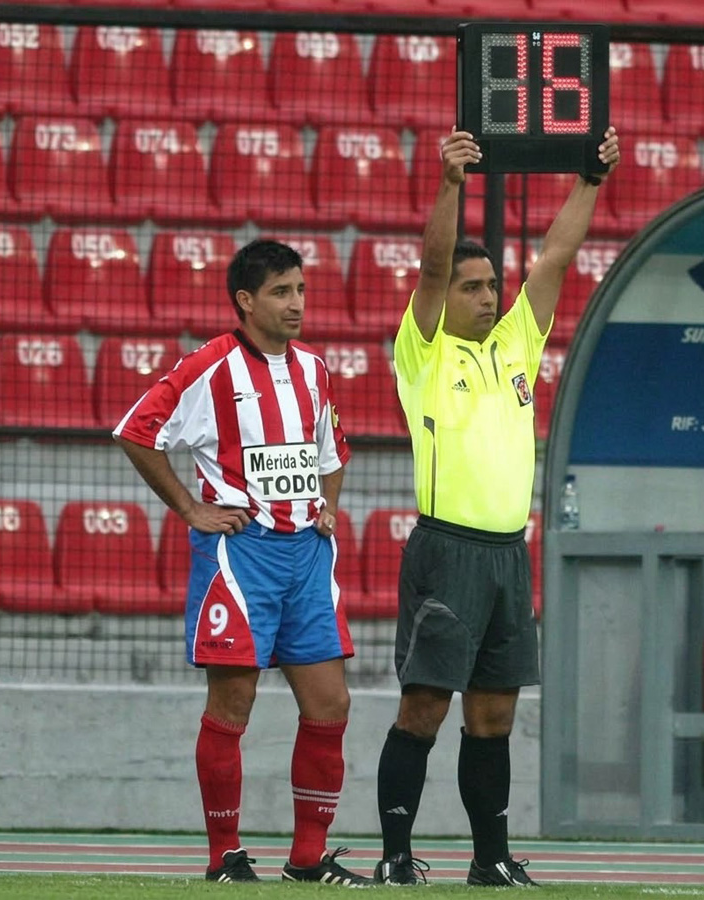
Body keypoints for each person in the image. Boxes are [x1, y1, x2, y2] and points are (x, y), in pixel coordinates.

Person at [373, 128, 621, 887]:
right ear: (444, 295)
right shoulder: (423, 352)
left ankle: (489, 861)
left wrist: (591, 181)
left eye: (491, 287)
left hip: (510, 555)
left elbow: (553, 259)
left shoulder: (514, 345)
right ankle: (396, 858)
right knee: (424, 711)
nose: (487, 297)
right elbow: (432, 260)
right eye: (472, 287)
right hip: (446, 553)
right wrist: (450, 185)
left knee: (495, 719)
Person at [114, 239, 372, 886]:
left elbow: (331, 450)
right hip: (241, 553)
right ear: (246, 301)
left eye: (302, 290)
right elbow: (135, 431)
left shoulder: (314, 368)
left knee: (330, 703)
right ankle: (223, 856)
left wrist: (329, 507)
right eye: (282, 292)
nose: (296, 304)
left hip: (306, 557)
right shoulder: (211, 365)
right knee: (234, 701)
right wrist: (190, 510)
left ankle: (308, 857)